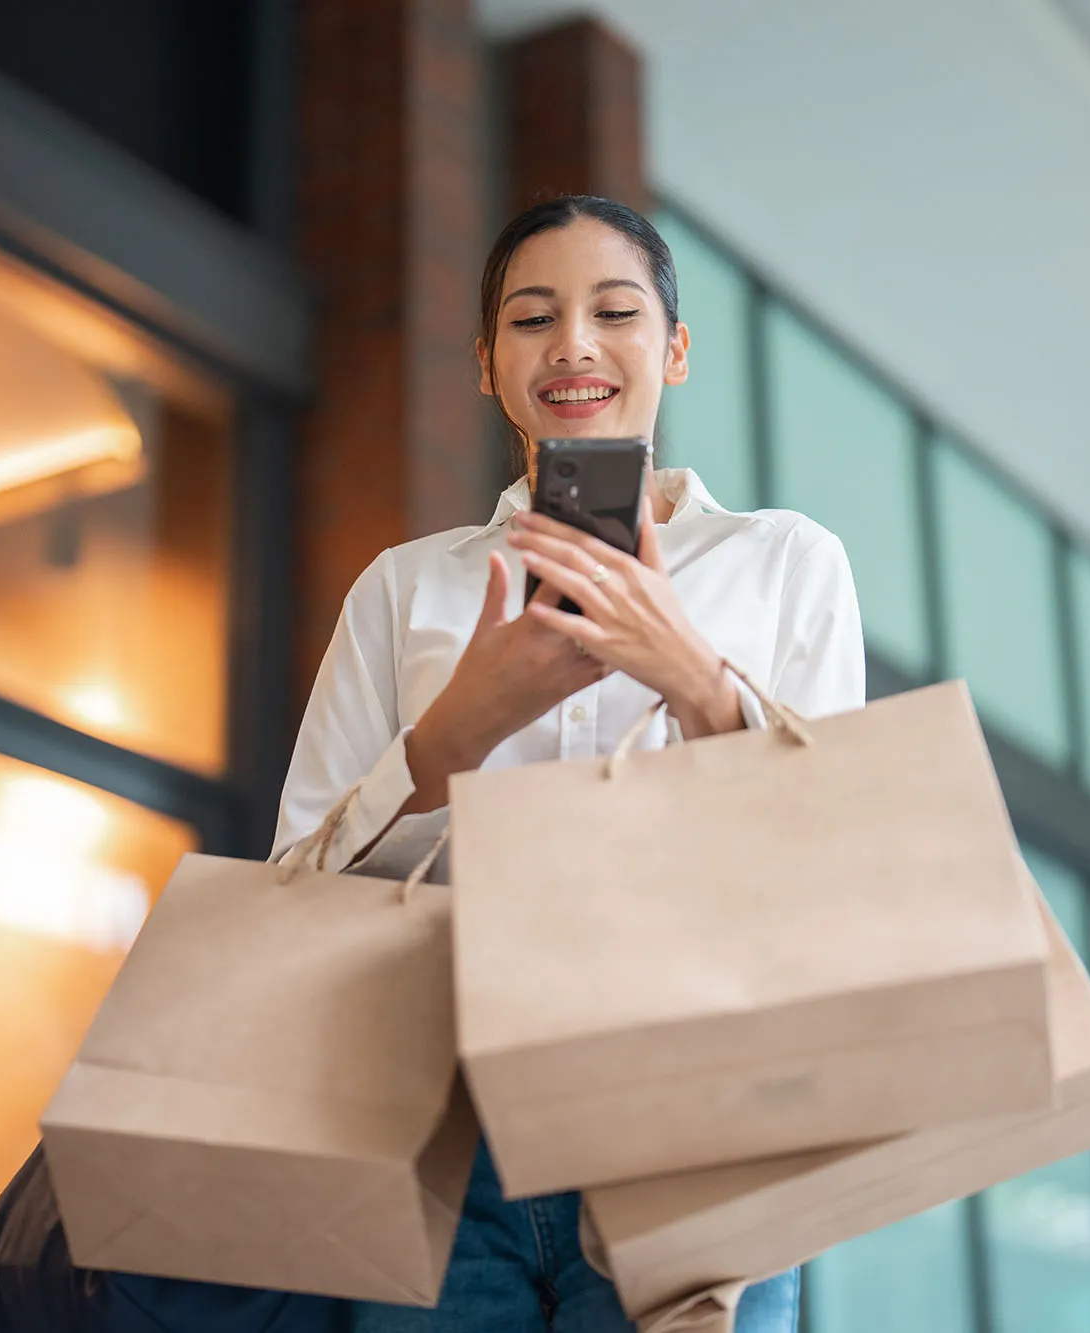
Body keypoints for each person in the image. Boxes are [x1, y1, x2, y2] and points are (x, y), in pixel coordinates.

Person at [272, 195, 865, 1333]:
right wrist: (457, 732)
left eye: (615, 312)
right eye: (531, 319)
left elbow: (836, 859)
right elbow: (292, 886)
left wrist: (690, 672)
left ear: (675, 350)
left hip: (701, 1119)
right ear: (488, 366)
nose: (574, 346)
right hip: (437, 1129)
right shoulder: (409, 587)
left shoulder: (784, 561)